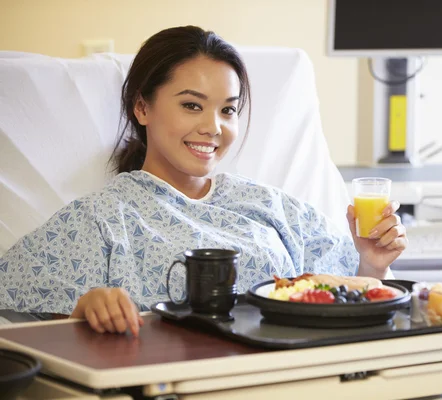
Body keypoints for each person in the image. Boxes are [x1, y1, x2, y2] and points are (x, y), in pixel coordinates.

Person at [0, 26, 407, 336]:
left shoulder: (272, 208)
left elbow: (352, 300)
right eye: (192, 105)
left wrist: (371, 263)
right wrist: (85, 310)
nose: (212, 128)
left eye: (228, 110)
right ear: (142, 106)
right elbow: (44, 331)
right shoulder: (100, 219)